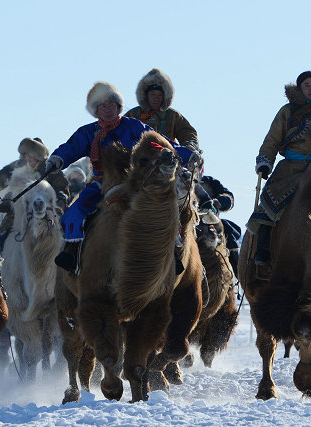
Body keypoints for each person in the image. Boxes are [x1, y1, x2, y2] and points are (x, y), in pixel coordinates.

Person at [46, 81, 199, 273]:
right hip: (103, 182)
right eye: (103, 106)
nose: (108, 109)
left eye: (111, 105)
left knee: (161, 207)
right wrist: (57, 159)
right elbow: (71, 148)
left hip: (134, 180)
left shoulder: (133, 126)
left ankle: (171, 252)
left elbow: (161, 143)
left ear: (118, 106)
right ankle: (73, 251)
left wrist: (186, 155)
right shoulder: (88, 132)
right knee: (77, 209)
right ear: (96, 110)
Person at [249, 70, 311, 277]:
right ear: (299, 88)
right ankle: (263, 250)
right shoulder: (287, 112)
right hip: (291, 167)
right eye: (307, 86)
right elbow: (272, 140)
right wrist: (265, 162)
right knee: (270, 200)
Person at [124, 68, 199, 151]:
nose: (156, 98)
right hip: (138, 160)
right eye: (152, 94)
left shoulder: (173, 115)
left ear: (165, 96)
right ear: (146, 95)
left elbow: (187, 133)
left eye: (160, 95)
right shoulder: (133, 115)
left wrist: (190, 146)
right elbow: (119, 134)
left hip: (167, 159)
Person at [195, 175, 242, 277]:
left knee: (227, 230)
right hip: (187, 222)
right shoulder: (176, 181)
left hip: (211, 221)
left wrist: (220, 201)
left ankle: (235, 271)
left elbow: (229, 197)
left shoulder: (207, 182)